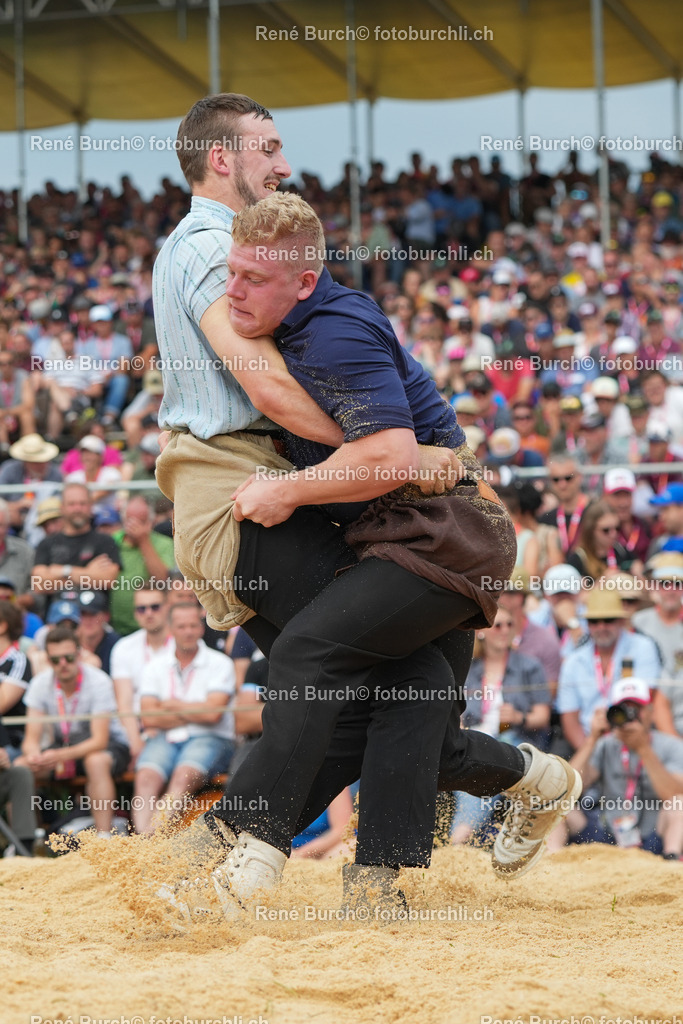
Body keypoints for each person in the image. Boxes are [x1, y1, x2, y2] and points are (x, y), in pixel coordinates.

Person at [152, 97, 580, 918]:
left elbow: (367, 436)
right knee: (375, 679)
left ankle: (277, 860)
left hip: (368, 509)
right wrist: (394, 457)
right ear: (218, 159)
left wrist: (361, 464)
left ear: (297, 279)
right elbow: (268, 386)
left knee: (384, 683)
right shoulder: (221, 243)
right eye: (266, 147)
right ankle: (305, 863)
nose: (283, 161)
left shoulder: (304, 295)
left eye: (253, 281)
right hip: (266, 489)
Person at [17, 626, 129, 838]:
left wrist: (58, 755)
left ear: (79, 654)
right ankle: (29, 840)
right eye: (55, 660)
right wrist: (35, 756)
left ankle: (104, 837)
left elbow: (100, 740)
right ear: (47, 660)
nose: (63, 664)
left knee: (95, 761)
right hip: (65, 747)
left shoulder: (98, 680)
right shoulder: (40, 683)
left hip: (107, 746)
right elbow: (31, 738)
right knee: (21, 767)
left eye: (68, 657)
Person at [132, 602, 235, 834]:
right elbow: (148, 718)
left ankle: (147, 842)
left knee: (183, 776)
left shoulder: (221, 663)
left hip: (211, 738)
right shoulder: (154, 666)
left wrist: (171, 706)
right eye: (181, 626)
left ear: (201, 628)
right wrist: (195, 711)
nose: (188, 631)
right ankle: (143, 841)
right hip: (169, 737)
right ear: (171, 629)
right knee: (146, 777)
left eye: (192, 625)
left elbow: (213, 715)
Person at [561, 676, 683, 858]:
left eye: (637, 709)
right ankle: (551, 861)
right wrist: (591, 739)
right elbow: (568, 788)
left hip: (652, 834)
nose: (629, 716)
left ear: (650, 711)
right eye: (623, 710)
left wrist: (644, 749)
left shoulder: (670, 745)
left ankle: (672, 860)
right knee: (555, 803)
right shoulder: (604, 744)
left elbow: (674, 793)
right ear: (612, 713)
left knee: (679, 804)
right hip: (605, 834)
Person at [557, 588, 662, 754]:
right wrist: (592, 755)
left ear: (621, 621)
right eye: (594, 621)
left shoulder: (643, 647)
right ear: (588, 624)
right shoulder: (573, 661)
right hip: (589, 740)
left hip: (633, 736)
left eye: (608, 620)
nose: (601, 626)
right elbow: (569, 720)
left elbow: (647, 702)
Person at [110, 584, 173, 766]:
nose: (148, 613)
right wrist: (135, 742)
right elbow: (124, 703)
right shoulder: (123, 647)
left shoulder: (182, 644)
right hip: (133, 729)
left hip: (170, 727)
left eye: (155, 607)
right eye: (141, 608)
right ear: (135, 613)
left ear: (167, 607)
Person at [32, 483, 122, 607]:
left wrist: (63, 571)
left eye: (82, 503)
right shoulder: (46, 543)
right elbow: (39, 585)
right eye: (72, 504)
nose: (77, 508)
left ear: (90, 506)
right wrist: (89, 573)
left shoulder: (105, 541)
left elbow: (107, 580)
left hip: (94, 620)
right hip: (57, 621)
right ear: (62, 508)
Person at [109, 495, 175, 637]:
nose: (135, 527)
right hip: (116, 627)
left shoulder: (164, 544)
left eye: (141, 522)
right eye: (130, 521)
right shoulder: (112, 542)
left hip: (154, 627)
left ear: (151, 522)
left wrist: (143, 540)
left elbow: (162, 579)